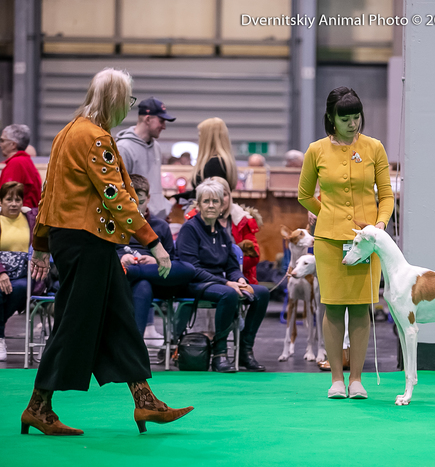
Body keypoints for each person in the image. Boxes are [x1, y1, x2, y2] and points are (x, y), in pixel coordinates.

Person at [22, 68, 193, 436]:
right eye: (127, 100)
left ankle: (145, 402)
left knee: (118, 319)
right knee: (74, 323)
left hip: (76, 241)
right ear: (116, 100)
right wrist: (153, 242)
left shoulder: (68, 132)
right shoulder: (95, 138)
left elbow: (50, 193)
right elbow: (115, 195)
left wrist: (40, 243)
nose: (127, 108)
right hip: (88, 241)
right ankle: (38, 407)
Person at [298, 87, 394, 399]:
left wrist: (379, 226)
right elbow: (303, 195)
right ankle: (336, 380)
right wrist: (326, 214)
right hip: (328, 240)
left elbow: (387, 195)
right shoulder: (316, 150)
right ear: (331, 118)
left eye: (356, 117)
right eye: (346, 118)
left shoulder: (375, 148)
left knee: (362, 307)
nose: (353, 124)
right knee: (334, 307)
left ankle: (356, 381)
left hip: (367, 243)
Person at [176, 179, 269, 372]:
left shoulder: (222, 232)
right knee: (229, 294)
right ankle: (220, 353)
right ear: (199, 204)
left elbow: (232, 266)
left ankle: (245, 351)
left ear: (221, 206)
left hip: (219, 283)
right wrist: (227, 282)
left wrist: (239, 279)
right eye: (206, 201)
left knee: (262, 293)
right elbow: (191, 268)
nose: (211, 205)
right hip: (194, 282)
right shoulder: (189, 229)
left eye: (215, 201)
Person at [117, 174, 195, 342]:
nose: (136, 205)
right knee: (143, 285)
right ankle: (135, 347)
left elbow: (171, 261)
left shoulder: (161, 226)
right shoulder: (113, 224)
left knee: (188, 269)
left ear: (148, 198)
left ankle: (134, 272)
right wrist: (122, 259)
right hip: (123, 280)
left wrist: (155, 261)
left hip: (154, 276)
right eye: (130, 200)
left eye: (141, 200)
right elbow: (106, 254)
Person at [115, 97, 176, 219]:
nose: (164, 126)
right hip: (136, 221)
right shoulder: (124, 148)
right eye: (161, 121)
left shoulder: (156, 147)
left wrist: (163, 208)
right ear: (148, 119)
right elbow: (119, 191)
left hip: (157, 220)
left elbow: (154, 185)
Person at [0, 182, 36, 361]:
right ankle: (0, 340)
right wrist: (1, 273)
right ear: (1, 202)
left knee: (22, 288)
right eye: (9, 199)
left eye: (18, 199)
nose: (14, 203)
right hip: (1, 274)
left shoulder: (31, 218)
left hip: (24, 277)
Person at [0, 124, 42, 208]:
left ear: (13, 145)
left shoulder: (16, 164)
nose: (0, 144)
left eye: (2, 140)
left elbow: (7, 196)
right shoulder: (26, 161)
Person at [191, 117, 238, 191]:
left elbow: (207, 194)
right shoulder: (222, 161)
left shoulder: (214, 164)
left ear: (206, 138)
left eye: (200, 136)